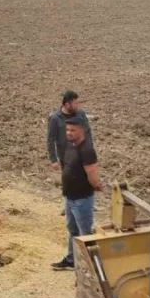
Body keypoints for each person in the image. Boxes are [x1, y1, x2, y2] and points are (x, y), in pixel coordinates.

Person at [52, 116, 102, 270]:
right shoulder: (70, 146)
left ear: (83, 130)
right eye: (67, 129)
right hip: (70, 197)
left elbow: (92, 175)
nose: (69, 133)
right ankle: (71, 260)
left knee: (85, 233)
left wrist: (97, 185)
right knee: (72, 230)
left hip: (82, 199)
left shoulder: (87, 150)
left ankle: (91, 268)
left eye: (73, 130)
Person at [47, 90, 92, 172]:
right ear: (67, 104)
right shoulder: (55, 119)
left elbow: (87, 132)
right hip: (66, 158)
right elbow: (50, 140)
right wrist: (53, 160)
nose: (77, 105)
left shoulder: (81, 114)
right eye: (75, 103)